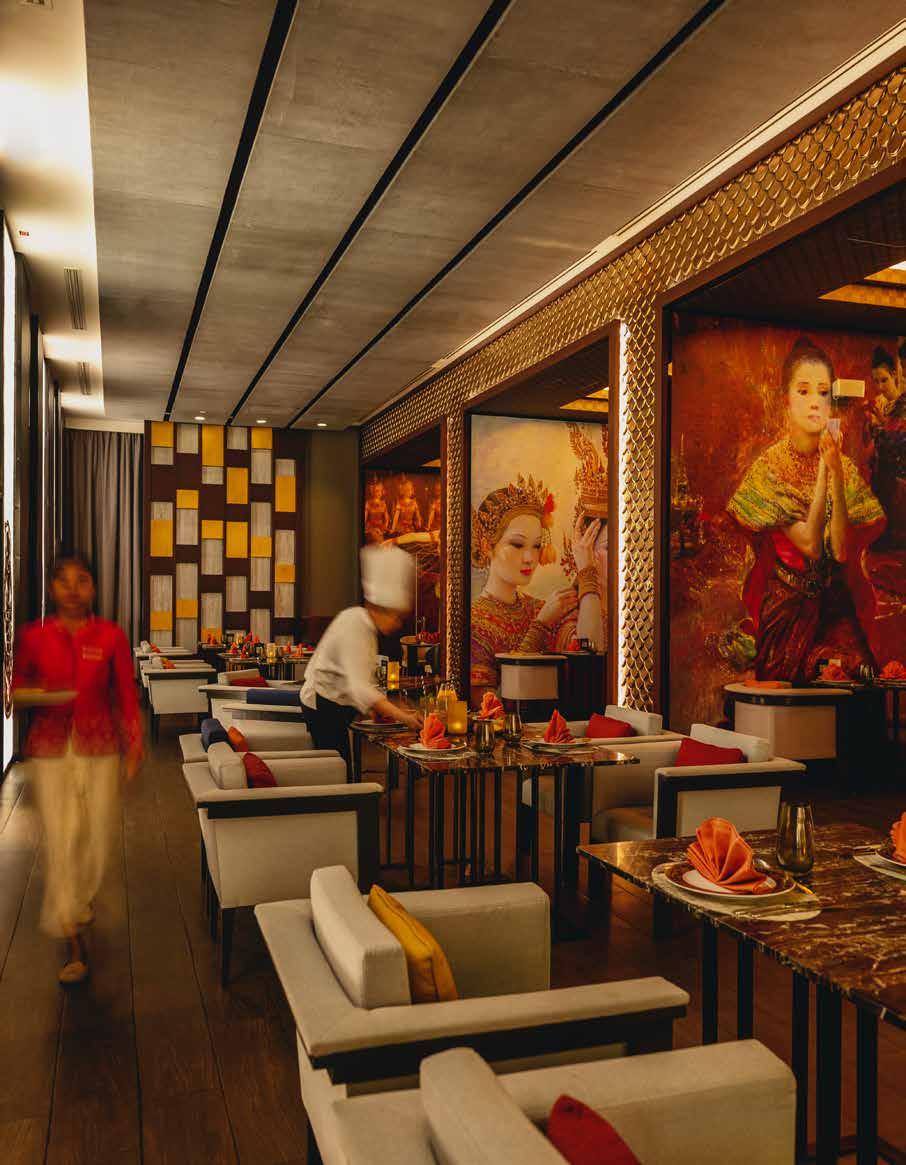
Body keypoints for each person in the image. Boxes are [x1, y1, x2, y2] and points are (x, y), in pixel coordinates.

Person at [11, 553, 143, 985]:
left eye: (82, 580)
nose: (72, 589)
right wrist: (33, 692)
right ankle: (73, 941)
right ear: (52, 588)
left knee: (97, 840)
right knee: (62, 839)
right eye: (63, 581)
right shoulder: (33, 636)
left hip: (99, 744)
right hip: (49, 749)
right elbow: (15, 687)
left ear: (93, 588)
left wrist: (134, 744)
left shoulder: (111, 636)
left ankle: (79, 900)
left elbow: (125, 693)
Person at [727, 336, 885, 682]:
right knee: (793, 686)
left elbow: (839, 551)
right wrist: (825, 473)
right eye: (803, 392)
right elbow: (811, 544)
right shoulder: (770, 470)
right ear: (786, 401)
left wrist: (836, 473)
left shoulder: (843, 466)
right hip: (788, 605)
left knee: (861, 676)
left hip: (834, 606)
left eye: (823, 392)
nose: (815, 402)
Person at [469, 474, 603, 706]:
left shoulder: (540, 607)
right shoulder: (474, 621)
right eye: (517, 544)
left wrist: (586, 571)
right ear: (487, 546)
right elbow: (491, 708)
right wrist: (540, 626)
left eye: (537, 546)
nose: (530, 558)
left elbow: (590, 654)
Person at [301, 544, 423, 767]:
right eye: (395, 617)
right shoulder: (355, 625)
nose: (397, 624)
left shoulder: (363, 623)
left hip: (334, 702)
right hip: (323, 704)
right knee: (337, 769)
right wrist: (403, 717)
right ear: (376, 608)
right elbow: (360, 687)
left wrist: (379, 707)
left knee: (342, 767)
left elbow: (361, 679)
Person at [868, 344, 906, 547]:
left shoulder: (902, 403)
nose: (880, 386)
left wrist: (881, 424)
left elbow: (897, 439)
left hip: (898, 471)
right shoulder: (879, 402)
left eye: (884, 380)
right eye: (876, 381)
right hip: (881, 468)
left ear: (894, 375)